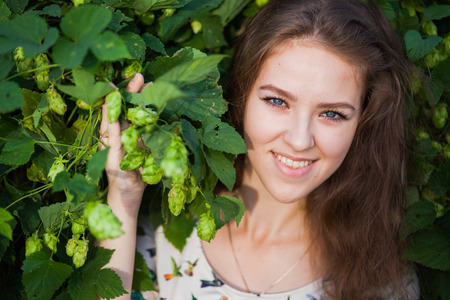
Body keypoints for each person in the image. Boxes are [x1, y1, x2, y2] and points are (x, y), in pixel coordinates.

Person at [99, 0, 420, 299]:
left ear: (363, 122)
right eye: (277, 101)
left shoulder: (381, 282)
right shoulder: (165, 225)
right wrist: (124, 198)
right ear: (242, 95)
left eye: (332, 113)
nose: (299, 140)